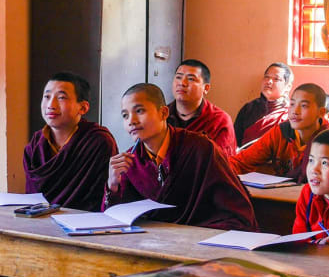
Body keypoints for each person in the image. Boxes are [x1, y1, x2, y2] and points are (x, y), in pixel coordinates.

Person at [105, 83, 257, 231]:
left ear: (163, 113)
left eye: (139, 111)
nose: (131, 121)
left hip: (198, 237)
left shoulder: (200, 148)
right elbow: (115, 220)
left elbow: (235, 209)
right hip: (151, 240)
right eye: (125, 115)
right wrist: (113, 185)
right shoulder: (131, 160)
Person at [24, 72, 117, 211]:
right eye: (47, 97)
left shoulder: (98, 142)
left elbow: (102, 196)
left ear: (83, 107)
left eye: (61, 97)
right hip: (39, 222)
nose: (51, 105)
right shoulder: (36, 144)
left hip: (83, 224)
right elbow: (32, 199)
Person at [230, 83, 329, 183]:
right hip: (281, 195)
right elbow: (241, 162)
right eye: (292, 104)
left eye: (304, 106)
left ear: (321, 112)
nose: (295, 111)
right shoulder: (280, 132)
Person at [167, 59, 236, 156]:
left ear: (206, 88)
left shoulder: (219, 121)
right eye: (178, 77)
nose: (182, 83)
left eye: (191, 79)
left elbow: (222, 164)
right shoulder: (161, 115)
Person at [234, 62, 293, 147]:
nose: (269, 81)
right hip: (243, 157)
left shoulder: (289, 114)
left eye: (276, 79)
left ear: (288, 87)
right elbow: (235, 140)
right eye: (266, 77)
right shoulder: (249, 108)